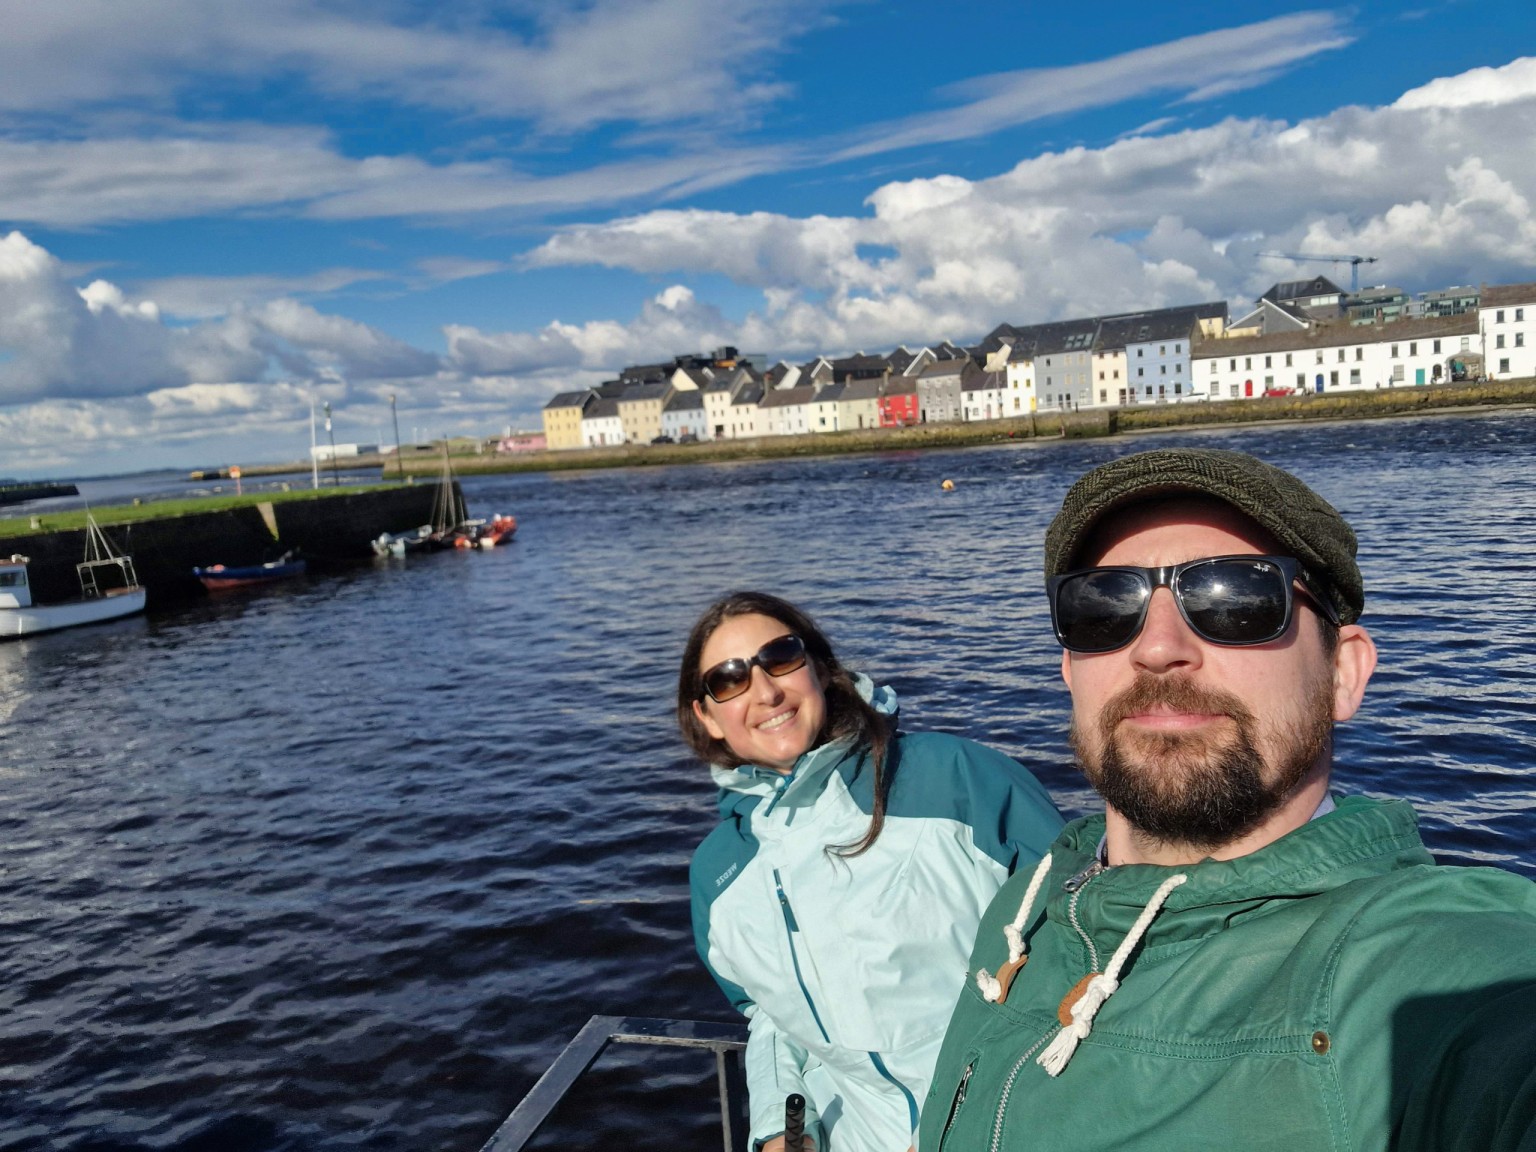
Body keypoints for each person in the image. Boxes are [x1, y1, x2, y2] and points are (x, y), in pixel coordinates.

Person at [919, 447, 1536, 1151]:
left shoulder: (1432, 976)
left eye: (1235, 598)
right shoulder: (1027, 905)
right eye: (1103, 606)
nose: (1157, 648)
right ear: (1070, 670)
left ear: (1343, 673)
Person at [681, 591, 1063, 1152]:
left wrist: (951, 1131)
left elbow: (1079, 949)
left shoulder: (959, 779)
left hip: (1014, 1128)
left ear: (817, 668)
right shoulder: (716, 876)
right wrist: (779, 1131)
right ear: (706, 716)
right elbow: (769, 1016)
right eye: (729, 679)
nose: (764, 691)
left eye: (781, 656)